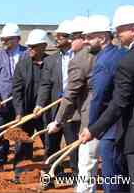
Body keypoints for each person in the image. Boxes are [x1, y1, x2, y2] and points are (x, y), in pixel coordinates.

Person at [80, 5, 134, 193]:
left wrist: (93, 129)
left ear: (133, 30)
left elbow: (118, 104)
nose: (117, 35)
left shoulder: (128, 61)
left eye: (119, 31)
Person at [82, 15, 128, 193]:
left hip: (110, 131)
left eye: (88, 37)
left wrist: (92, 127)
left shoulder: (103, 62)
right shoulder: (123, 53)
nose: (85, 41)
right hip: (126, 127)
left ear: (102, 38)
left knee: (112, 180)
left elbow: (98, 98)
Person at [34, 20, 81, 178]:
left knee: (73, 146)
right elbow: (45, 85)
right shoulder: (50, 61)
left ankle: (77, 179)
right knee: (51, 146)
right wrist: (40, 104)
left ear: (70, 38)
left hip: (74, 111)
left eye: (60, 36)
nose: (56, 39)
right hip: (54, 110)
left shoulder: (81, 57)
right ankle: (50, 179)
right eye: (56, 36)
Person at [11, 29, 51, 183]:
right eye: (29, 46)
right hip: (27, 112)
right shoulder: (22, 64)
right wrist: (19, 112)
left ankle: (48, 177)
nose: (30, 49)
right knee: (22, 143)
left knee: (49, 144)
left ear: (43, 46)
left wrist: (43, 106)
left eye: (33, 46)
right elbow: (17, 89)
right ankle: (20, 174)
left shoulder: (51, 62)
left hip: (45, 112)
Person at [0, 23, 27, 172]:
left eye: (7, 39)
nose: (4, 42)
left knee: (19, 132)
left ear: (17, 39)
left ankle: (20, 164)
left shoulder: (26, 53)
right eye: (3, 39)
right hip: (1, 101)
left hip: (20, 101)